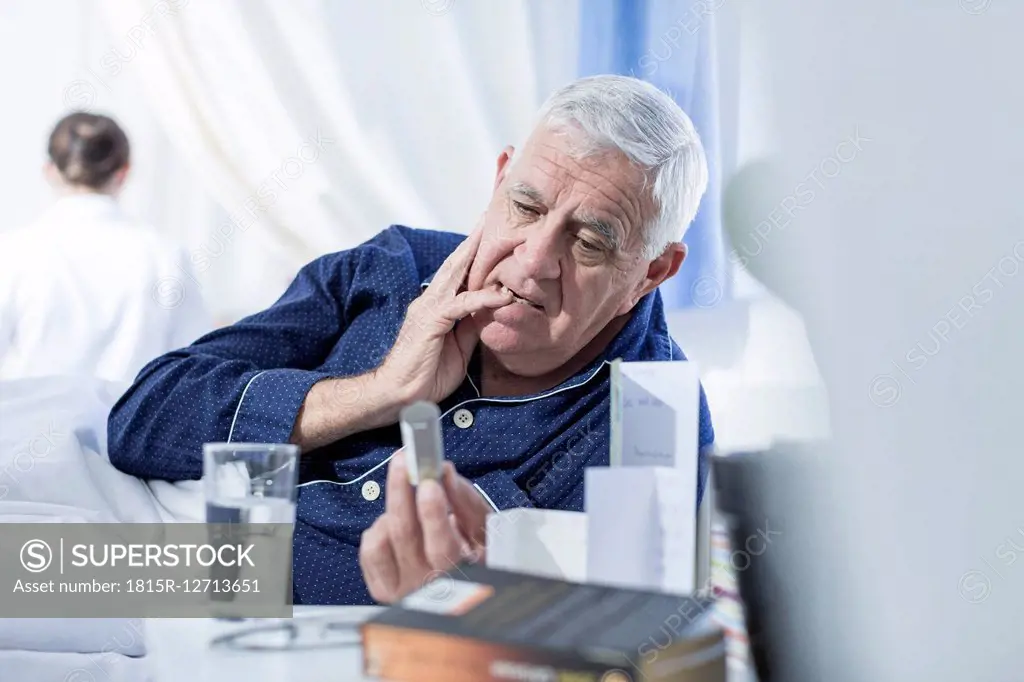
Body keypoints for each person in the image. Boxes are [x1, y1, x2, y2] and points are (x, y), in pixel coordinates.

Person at [107, 75, 716, 605]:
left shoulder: (651, 415)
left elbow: (618, 637)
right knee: (23, 577)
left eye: (588, 243)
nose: (533, 264)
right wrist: (380, 391)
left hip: (335, 637)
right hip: (179, 545)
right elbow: (140, 420)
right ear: (500, 179)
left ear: (653, 271)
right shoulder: (394, 266)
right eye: (526, 207)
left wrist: (466, 597)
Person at [0, 112, 211, 384]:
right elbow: (193, 365)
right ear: (124, 172)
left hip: (26, 423)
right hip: (127, 425)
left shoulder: (13, 252)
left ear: (50, 171)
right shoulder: (166, 257)